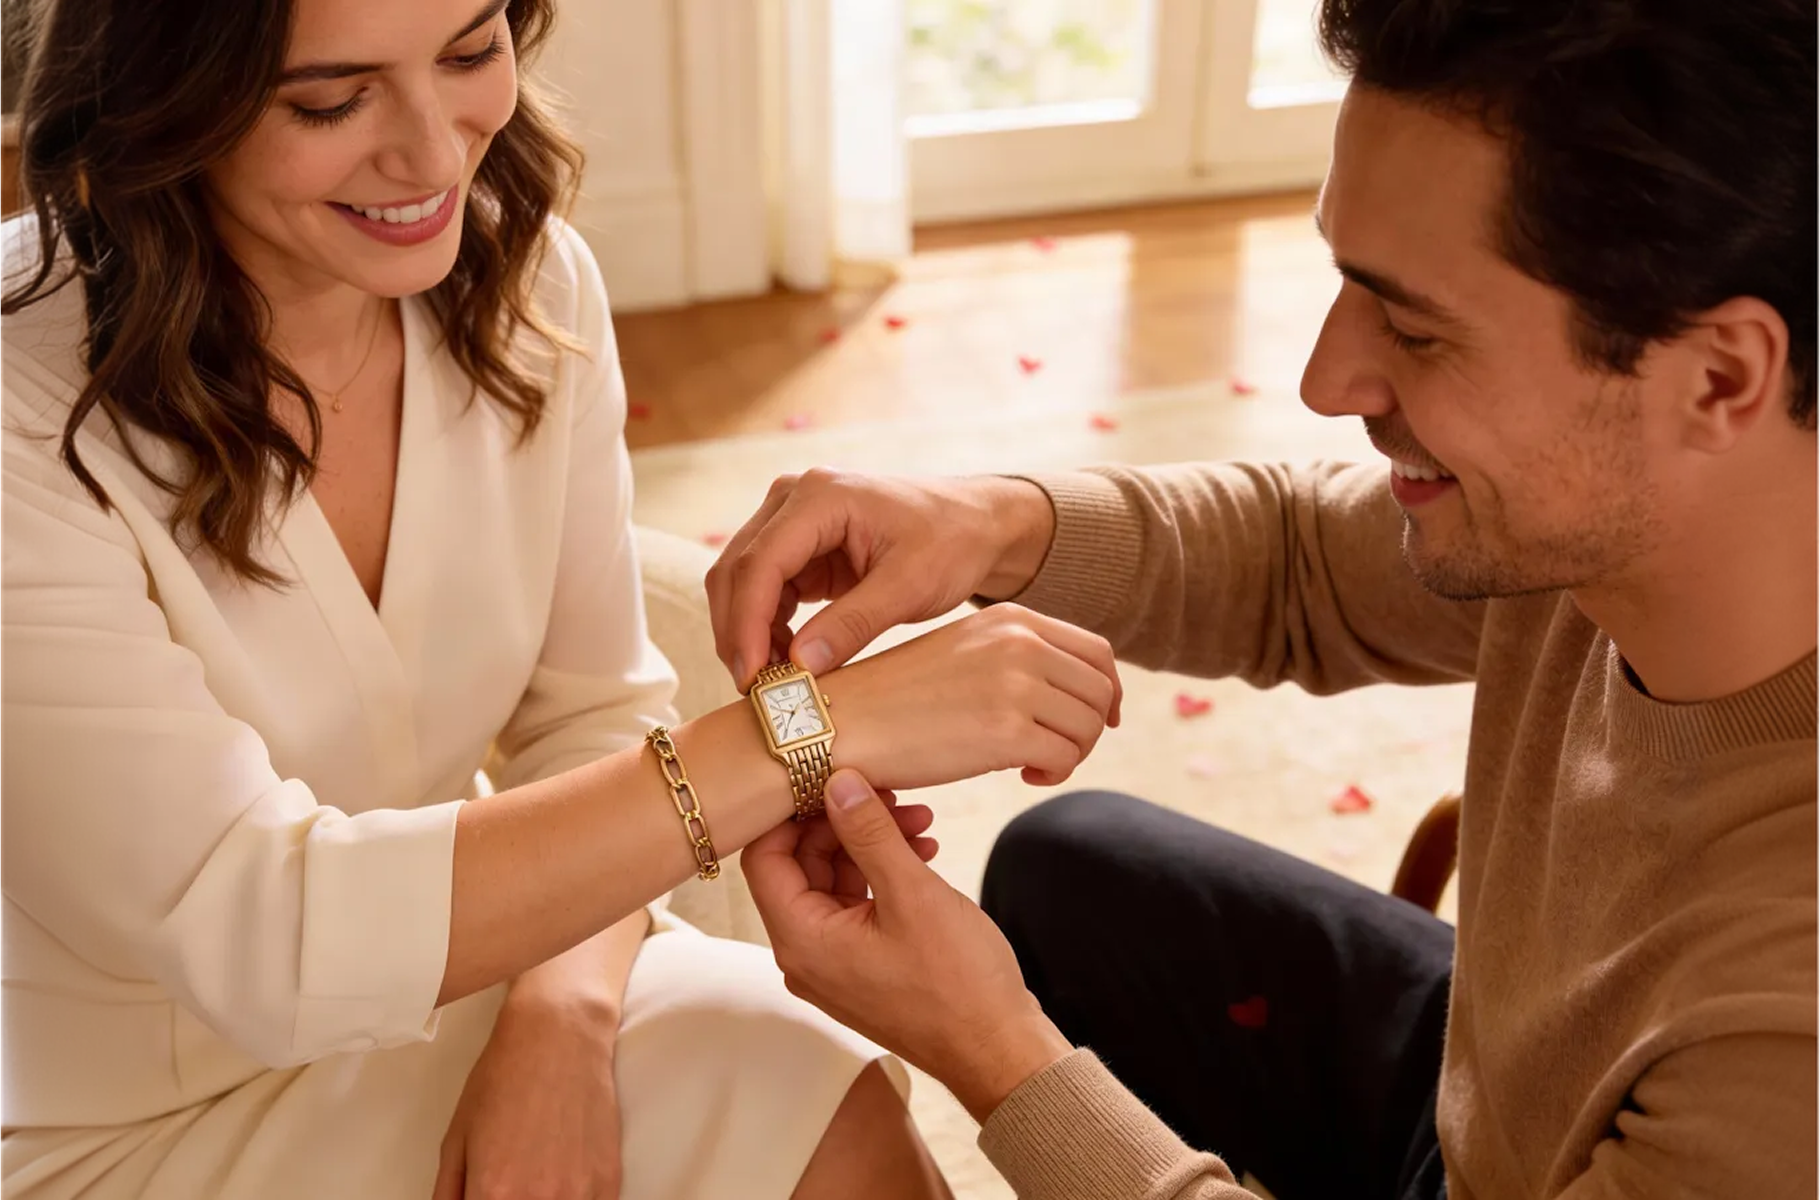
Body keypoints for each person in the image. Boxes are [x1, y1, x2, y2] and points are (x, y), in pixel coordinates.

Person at [0, 2, 1125, 1198]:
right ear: (163, 94)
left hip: (486, 962)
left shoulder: (521, 281)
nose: (435, 155)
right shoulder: (23, 409)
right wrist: (814, 729)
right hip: (138, 1114)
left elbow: (588, 717)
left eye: (471, 52)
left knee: (810, 1089)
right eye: (331, 100)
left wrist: (559, 1018)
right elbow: (261, 932)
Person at [714, 1, 1819, 1197]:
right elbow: (1302, 559)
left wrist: (992, 1058)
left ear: (1716, 376)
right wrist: (990, 521)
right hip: (1500, 1108)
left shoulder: (1786, 1052)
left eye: (1412, 328)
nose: (1322, 378)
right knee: (1071, 872)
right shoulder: (1621, 514)